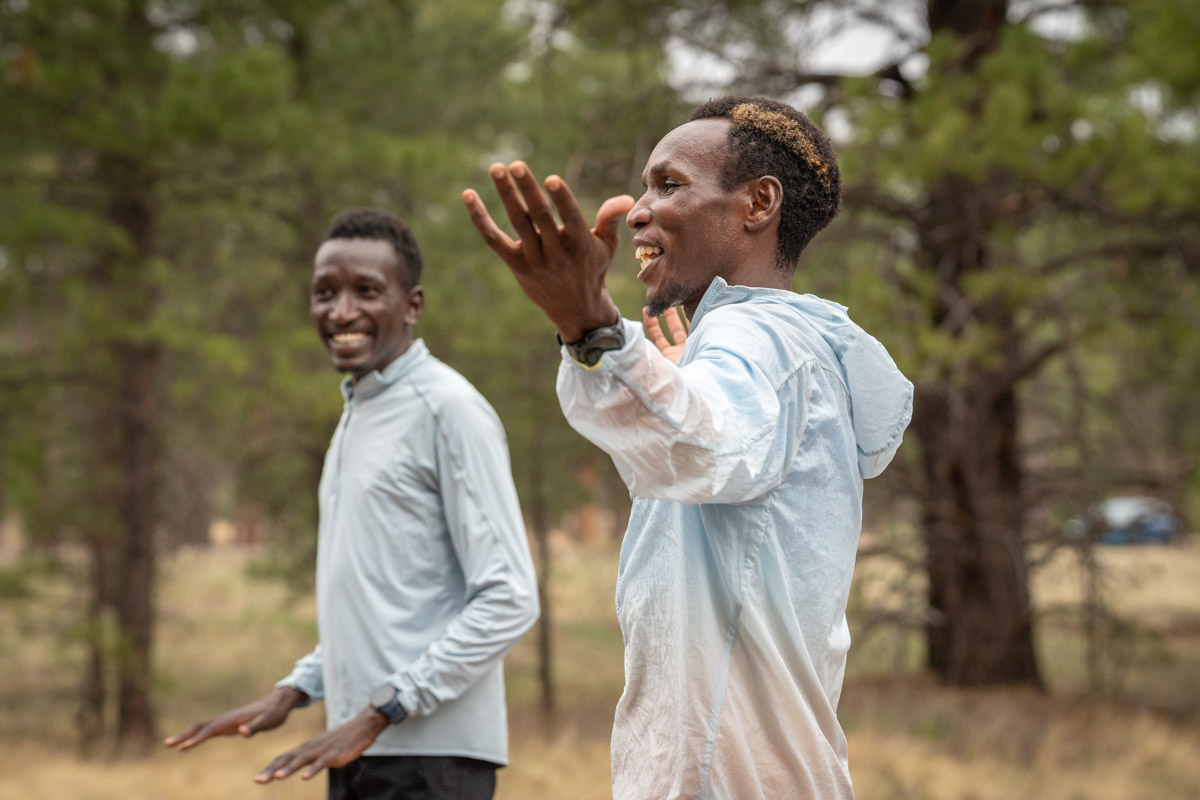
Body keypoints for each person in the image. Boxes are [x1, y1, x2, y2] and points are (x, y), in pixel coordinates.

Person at [462, 96, 913, 799]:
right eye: (645, 187)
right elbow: (699, 443)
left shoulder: (756, 340)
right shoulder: (774, 348)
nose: (639, 210)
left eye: (669, 185)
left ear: (758, 203)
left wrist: (590, 324)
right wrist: (672, 384)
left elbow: (702, 446)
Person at [165, 208, 540, 800]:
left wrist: (385, 708)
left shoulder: (447, 409)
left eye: (366, 291)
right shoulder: (359, 413)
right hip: (357, 747)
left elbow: (510, 597)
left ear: (412, 305)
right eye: (325, 293)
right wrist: (293, 691)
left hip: (429, 763)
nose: (341, 312)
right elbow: (386, 608)